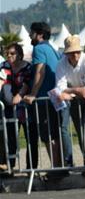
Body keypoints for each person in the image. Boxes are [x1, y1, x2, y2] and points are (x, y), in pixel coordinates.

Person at [23, 22, 70, 172]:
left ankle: (56, 168)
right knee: (55, 133)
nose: (30, 35)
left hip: (45, 98)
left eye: (32, 33)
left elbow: (40, 72)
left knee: (48, 134)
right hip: (54, 97)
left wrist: (32, 94)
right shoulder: (51, 48)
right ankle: (61, 165)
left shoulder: (39, 48)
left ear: (39, 34)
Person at [52, 35, 85, 167]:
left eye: (77, 52)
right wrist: (77, 91)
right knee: (80, 128)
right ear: (66, 53)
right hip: (74, 99)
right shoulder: (61, 64)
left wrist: (70, 90)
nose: (75, 55)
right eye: (72, 53)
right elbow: (60, 88)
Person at [0, 43, 33, 172]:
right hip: (9, 108)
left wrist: (19, 95)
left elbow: (26, 84)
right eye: (7, 53)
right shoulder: (4, 66)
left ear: (19, 55)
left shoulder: (27, 67)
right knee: (11, 136)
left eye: (12, 53)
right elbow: (2, 82)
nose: (9, 56)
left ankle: (31, 168)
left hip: (25, 107)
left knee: (30, 138)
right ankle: (10, 165)